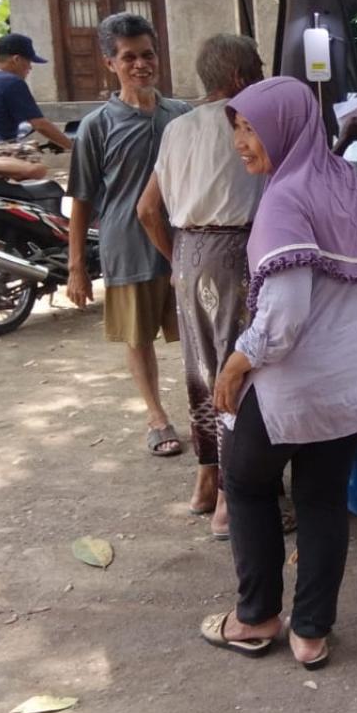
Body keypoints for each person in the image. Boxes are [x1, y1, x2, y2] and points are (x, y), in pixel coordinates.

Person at [201, 77, 357, 669]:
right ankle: (310, 634)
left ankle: (256, 619)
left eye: (250, 127)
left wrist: (237, 359)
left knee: (248, 482)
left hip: (303, 382)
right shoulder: (343, 180)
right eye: (235, 127)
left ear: (285, 127)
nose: (240, 141)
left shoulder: (285, 200)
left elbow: (282, 320)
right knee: (321, 497)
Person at [136, 35, 265, 534]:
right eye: (255, 66)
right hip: (236, 253)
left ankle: (206, 481)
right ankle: (235, 499)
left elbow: (147, 210)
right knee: (240, 369)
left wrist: (177, 259)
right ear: (237, 78)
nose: (262, 72)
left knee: (202, 368)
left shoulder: (177, 127)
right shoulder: (247, 124)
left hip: (189, 254)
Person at [66, 13, 191, 457]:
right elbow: (81, 198)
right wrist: (77, 266)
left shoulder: (182, 115)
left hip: (182, 246)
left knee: (197, 333)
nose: (140, 65)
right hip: (126, 247)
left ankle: (208, 411)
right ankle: (157, 417)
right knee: (139, 339)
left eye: (147, 54)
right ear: (109, 63)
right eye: (128, 57)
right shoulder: (97, 125)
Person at [0, 33, 72, 182]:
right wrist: (72, 147)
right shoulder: (12, 81)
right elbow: (40, 125)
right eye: (29, 62)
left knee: (13, 187)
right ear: (16, 60)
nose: (30, 68)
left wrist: (23, 146)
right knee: (36, 169)